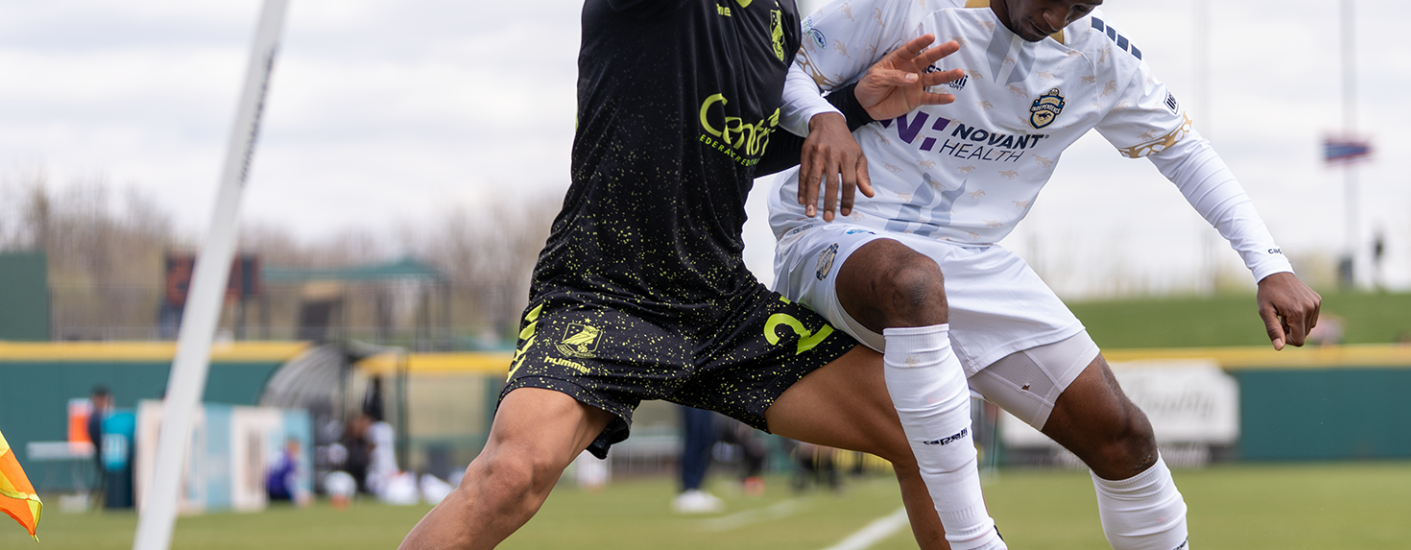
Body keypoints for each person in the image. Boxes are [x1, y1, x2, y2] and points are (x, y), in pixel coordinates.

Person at [395, 2, 994, 548]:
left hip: (719, 307)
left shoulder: (780, 20)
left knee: (925, 429)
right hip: (604, 295)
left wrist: (853, 107)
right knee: (510, 476)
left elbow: (738, 145)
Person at [775, 1, 1322, 548]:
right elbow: (780, 71)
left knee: (1124, 438)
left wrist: (1270, 265)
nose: (1058, 15)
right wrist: (826, 115)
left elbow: (1186, 153)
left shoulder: (1100, 58)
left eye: (1081, 5)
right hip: (835, 231)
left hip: (971, 260)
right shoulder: (908, 7)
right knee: (912, 284)